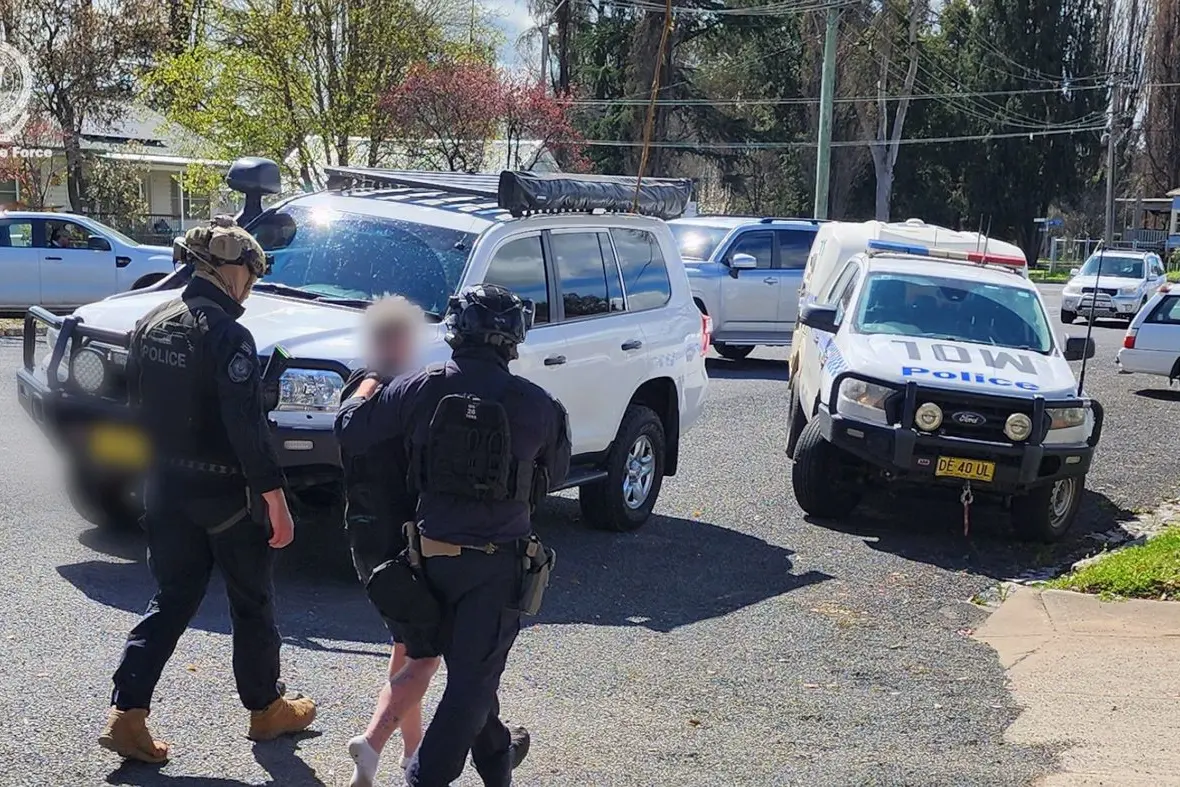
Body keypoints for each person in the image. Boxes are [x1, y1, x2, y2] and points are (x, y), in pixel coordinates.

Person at [98, 216, 316, 763]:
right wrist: (276, 500)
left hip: (166, 488)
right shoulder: (228, 335)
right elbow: (246, 428)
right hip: (226, 498)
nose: (253, 283)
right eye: (250, 271)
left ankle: (127, 714)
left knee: (171, 599)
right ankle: (266, 710)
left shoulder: (151, 321)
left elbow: (135, 410)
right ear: (226, 270)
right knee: (252, 601)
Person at [335, 283, 571, 787]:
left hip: (425, 562)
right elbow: (556, 473)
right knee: (470, 685)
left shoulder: (420, 386)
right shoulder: (539, 405)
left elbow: (351, 428)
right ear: (514, 339)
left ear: (455, 332)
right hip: (495, 565)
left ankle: (499, 760)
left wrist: (373, 378)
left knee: (475, 681)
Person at [338, 295, 435, 787]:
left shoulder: (355, 386)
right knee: (426, 651)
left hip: (362, 533)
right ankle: (372, 743)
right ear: (398, 339)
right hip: (402, 539)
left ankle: (411, 754)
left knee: (406, 643)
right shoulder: (401, 393)